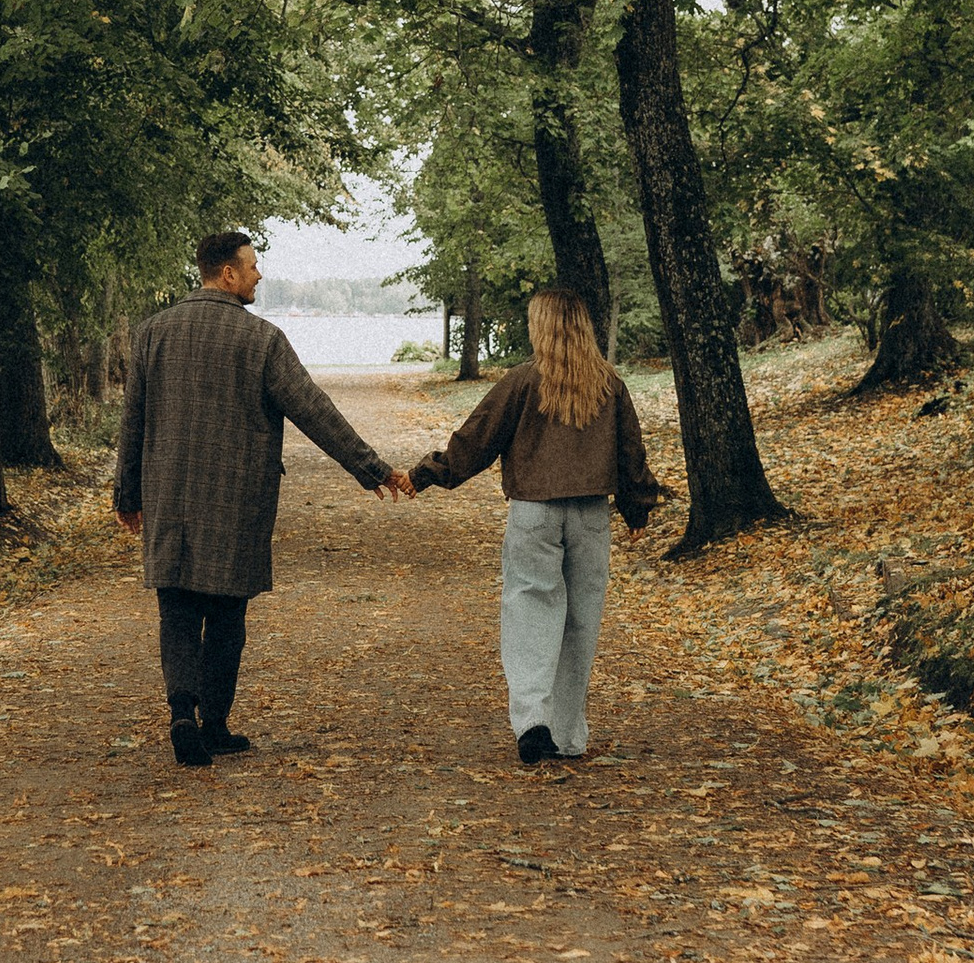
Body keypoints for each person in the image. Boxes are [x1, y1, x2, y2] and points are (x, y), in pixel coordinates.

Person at [114, 228, 413, 767]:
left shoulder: (151, 334)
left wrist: (126, 493)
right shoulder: (262, 341)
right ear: (227, 274)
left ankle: (182, 713)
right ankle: (215, 723)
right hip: (237, 498)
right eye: (252, 267)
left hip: (170, 498)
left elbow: (132, 421)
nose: (258, 276)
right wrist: (371, 469)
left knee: (177, 607)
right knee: (227, 611)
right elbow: (313, 409)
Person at [409, 287, 668, 769]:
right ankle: (568, 735)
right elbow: (632, 453)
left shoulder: (524, 381)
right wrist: (638, 508)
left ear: (542, 327)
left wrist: (427, 474)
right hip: (591, 513)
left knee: (530, 610)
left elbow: (477, 438)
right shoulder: (609, 384)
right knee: (579, 621)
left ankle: (533, 724)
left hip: (533, 512)